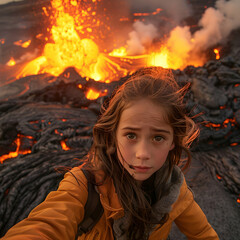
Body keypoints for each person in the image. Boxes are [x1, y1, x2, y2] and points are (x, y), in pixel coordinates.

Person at [1, 68, 219, 240]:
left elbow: (203, 234)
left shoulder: (175, 190)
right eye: (131, 135)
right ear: (113, 135)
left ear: (173, 141)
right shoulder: (83, 187)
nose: (143, 154)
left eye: (158, 138)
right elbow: (46, 226)